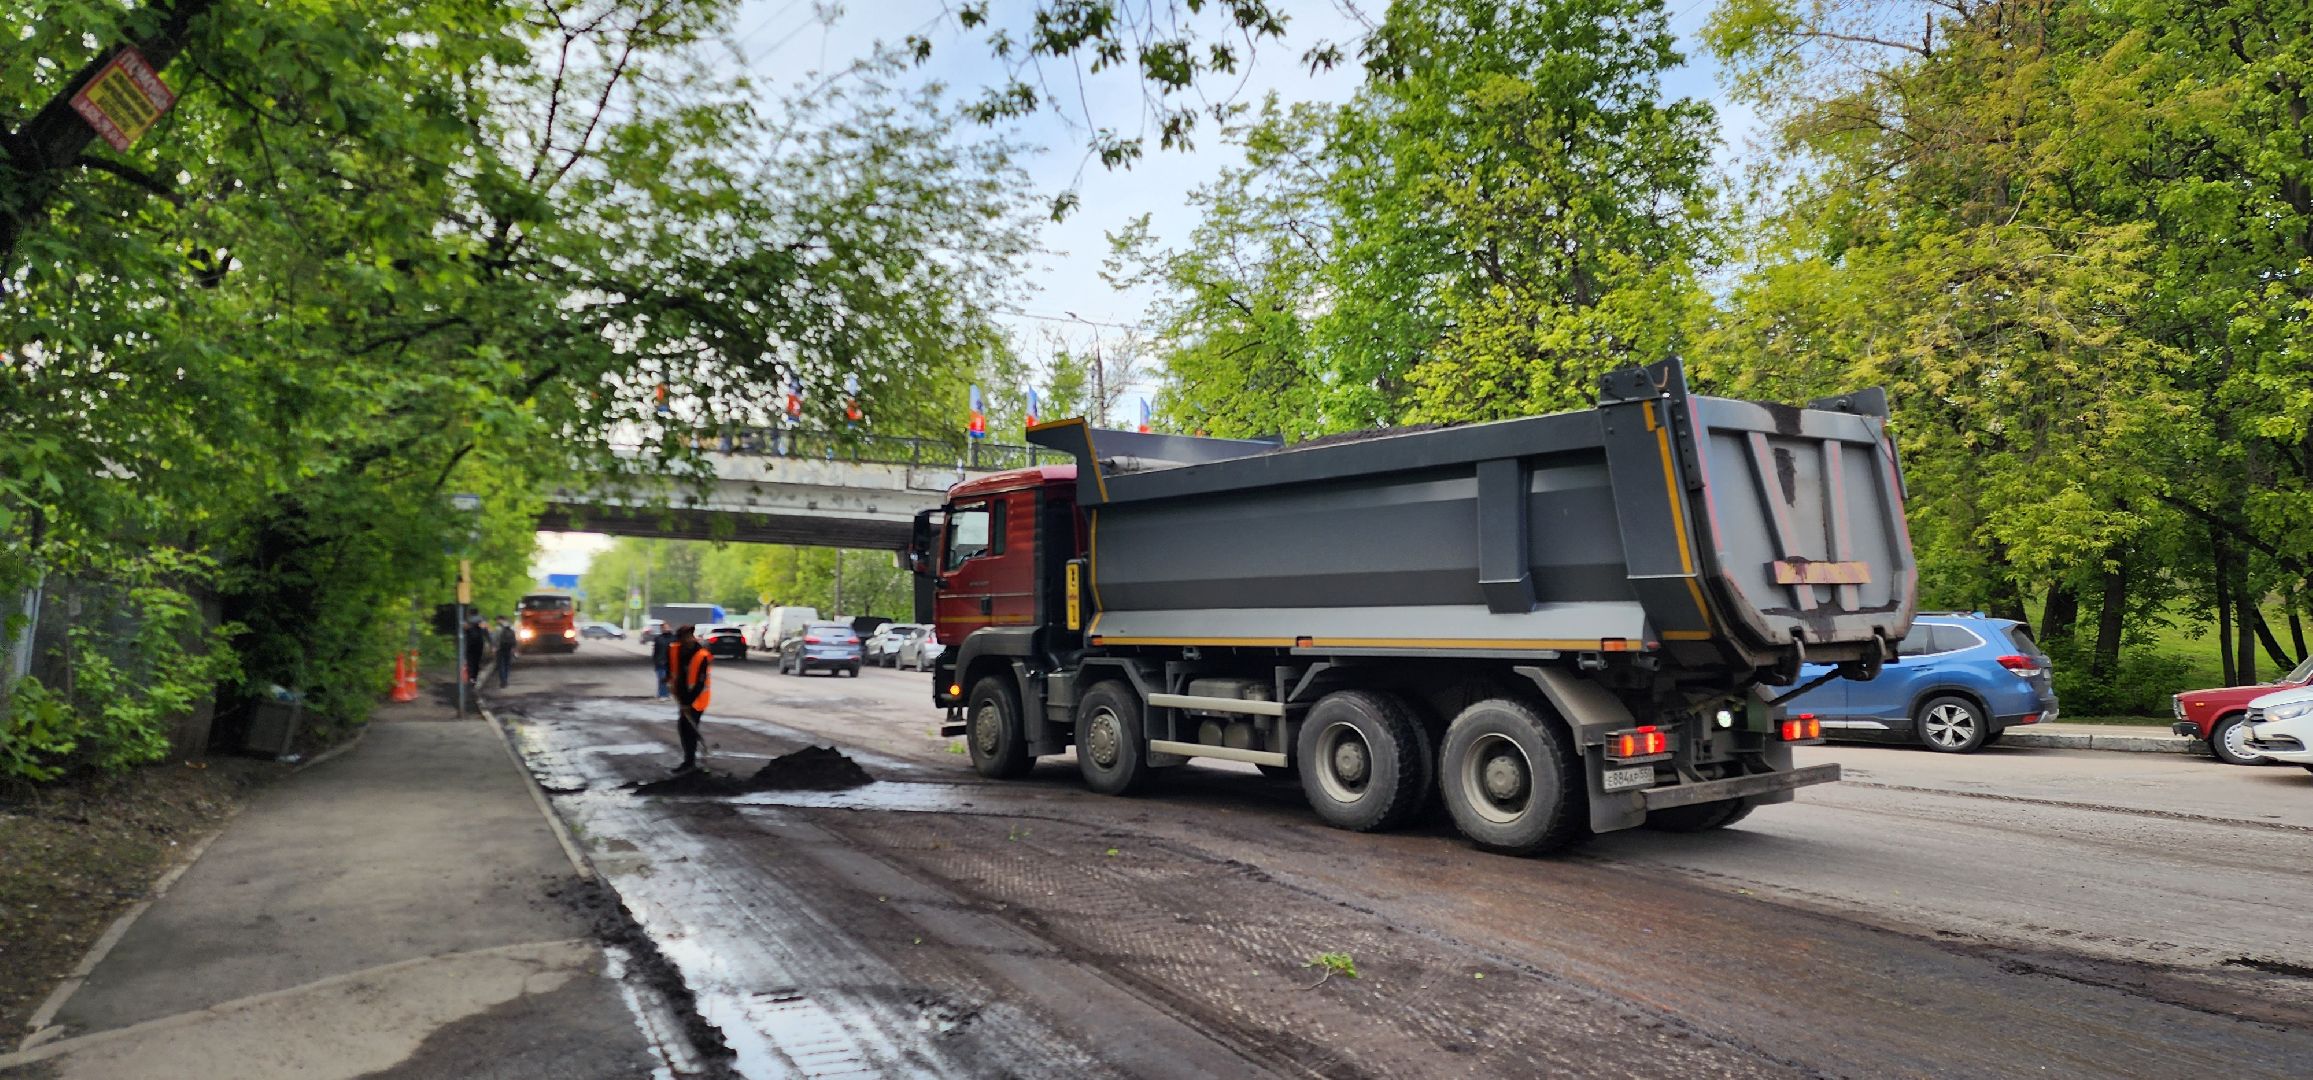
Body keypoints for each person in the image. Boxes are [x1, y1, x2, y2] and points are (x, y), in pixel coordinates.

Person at [667, 625, 713, 772]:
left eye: (686, 638)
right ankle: (689, 760)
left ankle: (690, 762)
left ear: (691, 637)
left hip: (697, 699)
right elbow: (672, 670)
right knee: (684, 727)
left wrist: (688, 702)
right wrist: (668, 680)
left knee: (688, 728)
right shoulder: (675, 650)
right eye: (681, 639)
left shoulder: (701, 655)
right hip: (682, 697)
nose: (684, 642)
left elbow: (699, 683)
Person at [462, 615, 490, 688]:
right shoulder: (481, 630)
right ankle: (473, 678)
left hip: (470, 648)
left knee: (470, 663)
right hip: (478, 649)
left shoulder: (469, 629)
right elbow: (487, 636)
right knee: (476, 664)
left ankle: (471, 678)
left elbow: (464, 630)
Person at [649, 624, 672, 700]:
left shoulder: (674, 638)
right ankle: (662, 694)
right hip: (661, 662)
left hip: (671, 663)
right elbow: (655, 651)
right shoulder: (658, 638)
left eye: (667, 627)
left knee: (669, 679)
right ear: (661, 629)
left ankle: (665, 693)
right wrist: (655, 661)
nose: (666, 629)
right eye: (664, 628)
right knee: (662, 678)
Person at [493, 616, 517, 688]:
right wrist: (513, 647)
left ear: (500, 620)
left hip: (500, 649)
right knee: (507, 665)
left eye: (497, 620)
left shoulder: (498, 628)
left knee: (501, 665)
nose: (496, 621)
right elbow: (514, 638)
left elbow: (495, 639)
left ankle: (503, 681)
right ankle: (505, 680)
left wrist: (494, 647)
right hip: (508, 648)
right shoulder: (511, 627)